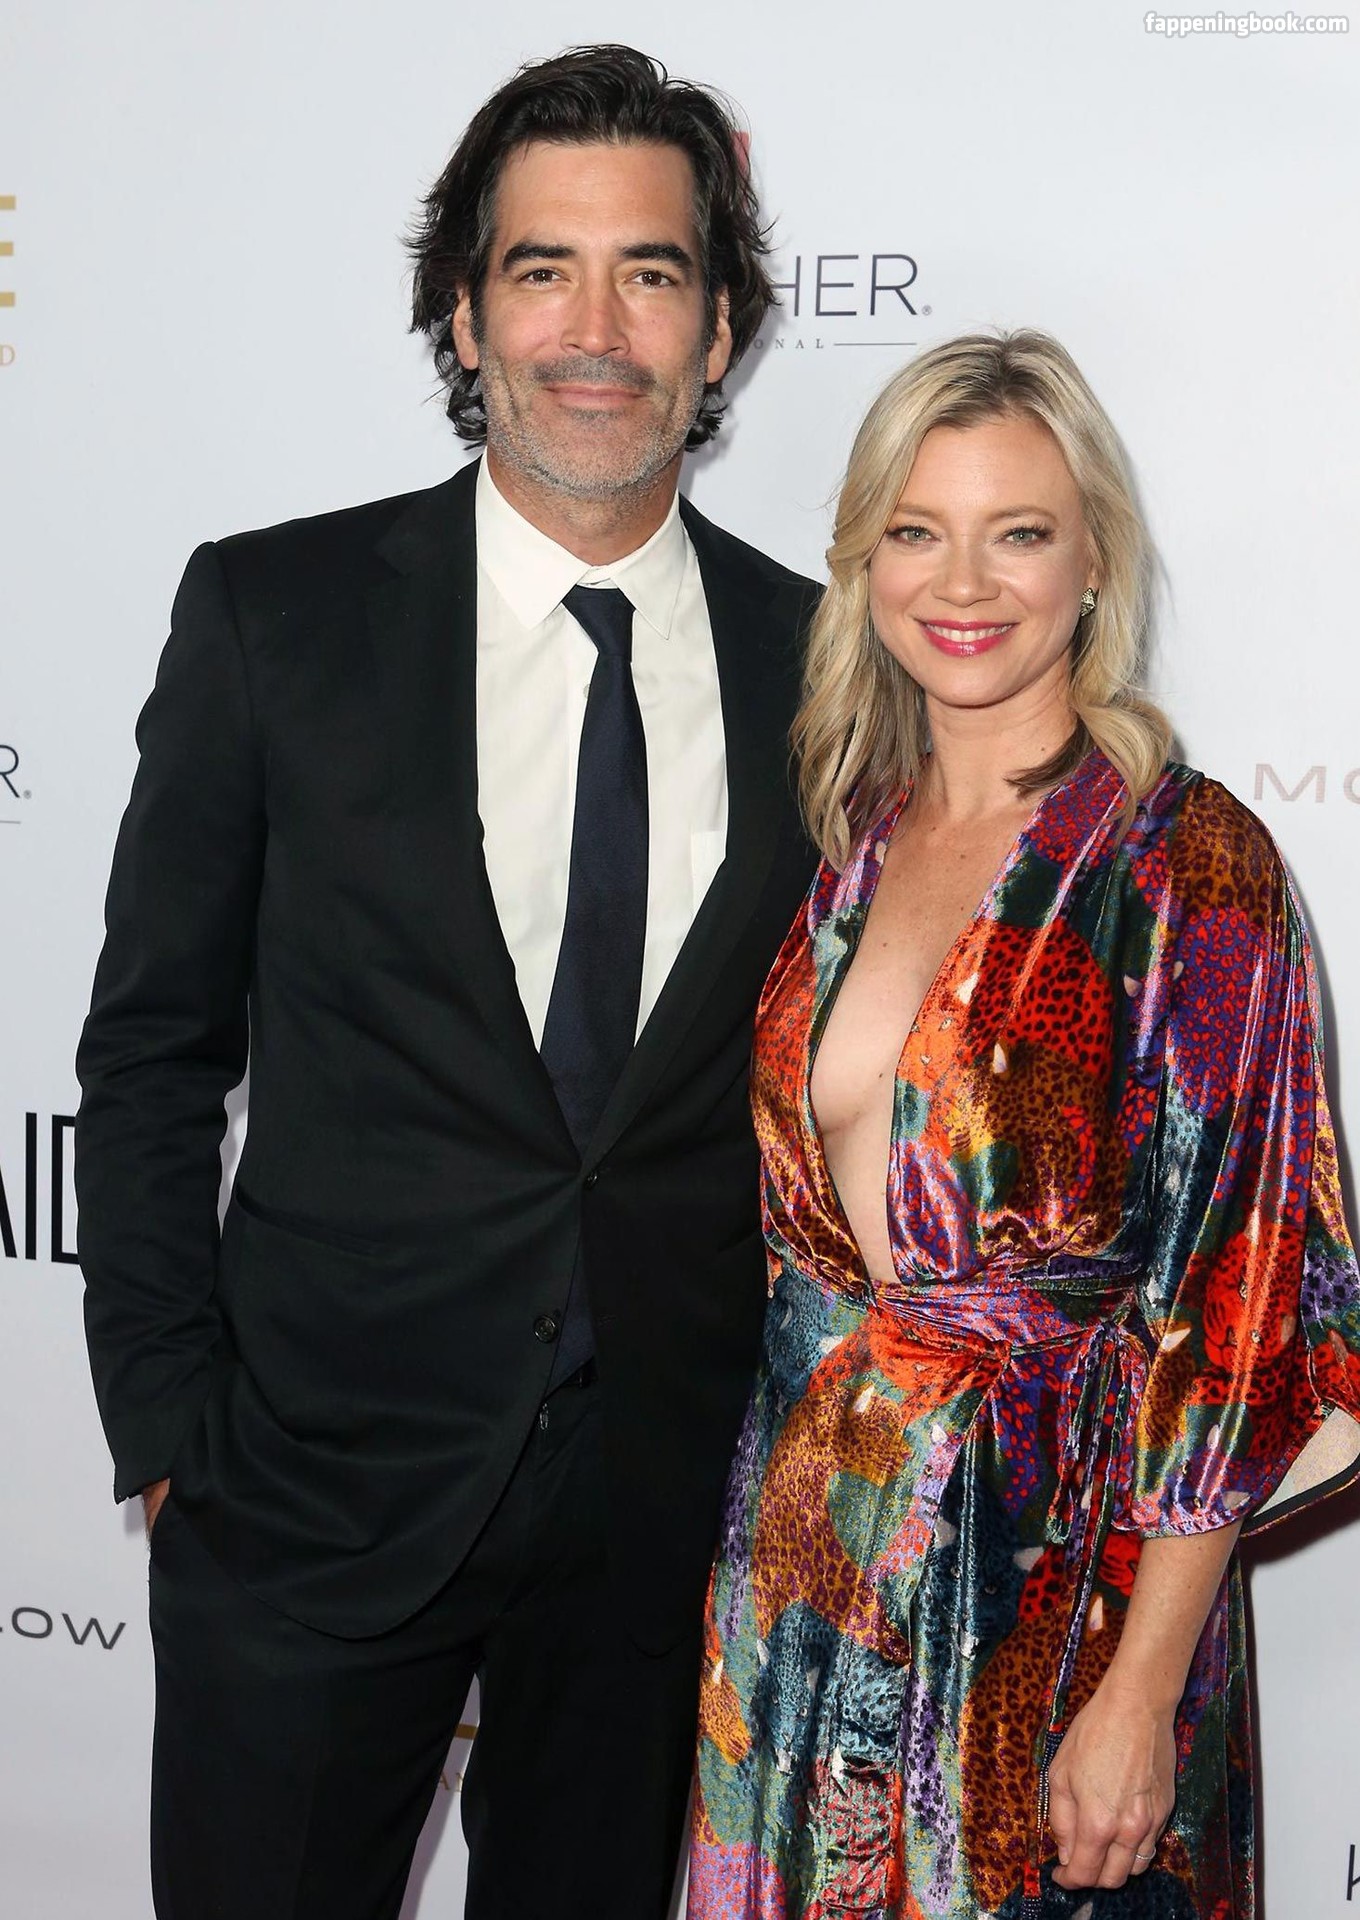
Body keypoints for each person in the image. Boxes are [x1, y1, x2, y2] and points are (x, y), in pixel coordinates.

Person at [75, 44, 818, 1920]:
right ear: (467, 318)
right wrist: (169, 1431)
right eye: (541, 270)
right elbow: (154, 1049)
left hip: (653, 1526)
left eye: (651, 273)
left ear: (720, 331)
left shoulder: (823, 670)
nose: (596, 329)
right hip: (305, 1502)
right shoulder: (274, 618)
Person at [688, 329, 1360, 1918]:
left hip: (1055, 1608)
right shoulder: (847, 838)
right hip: (804, 1579)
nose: (964, 582)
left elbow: (1238, 1306)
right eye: (917, 530)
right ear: (864, 562)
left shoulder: (1185, 866)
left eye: (1020, 532)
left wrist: (1142, 1694)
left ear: (1095, 559)